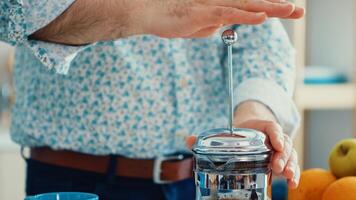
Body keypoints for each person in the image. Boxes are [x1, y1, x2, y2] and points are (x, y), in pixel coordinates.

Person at [1, 0, 304, 199]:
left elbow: (258, 33)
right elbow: (13, 11)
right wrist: (141, 12)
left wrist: (253, 112)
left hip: (200, 179)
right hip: (80, 182)